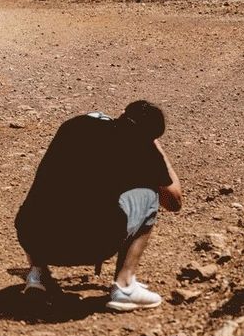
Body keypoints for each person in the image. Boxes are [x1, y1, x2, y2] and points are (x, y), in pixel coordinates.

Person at [14, 100, 183, 311]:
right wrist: (158, 151)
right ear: (151, 137)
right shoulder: (143, 151)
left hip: (33, 237)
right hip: (90, 247)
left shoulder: (74, 126)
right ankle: (125, 286)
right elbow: (174, 201)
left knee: (51, 192)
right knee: (149, 195)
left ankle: (37, 275)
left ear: (122, 114)